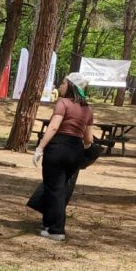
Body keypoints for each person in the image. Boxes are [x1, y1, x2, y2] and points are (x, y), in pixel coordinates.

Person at [32, 72, 94, 241]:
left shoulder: (63, 103)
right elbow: (88, 139)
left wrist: (40, 148)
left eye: (63, 83)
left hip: (58, 148)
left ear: (71, 86)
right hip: (76, 150)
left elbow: (53, 127)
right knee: (60, 187)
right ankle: (49, 223)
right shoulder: (87, 109)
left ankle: (56, 229)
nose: (60, 86)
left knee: (54, 188)